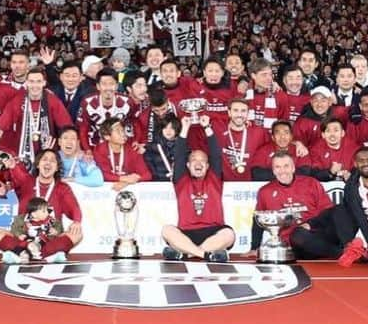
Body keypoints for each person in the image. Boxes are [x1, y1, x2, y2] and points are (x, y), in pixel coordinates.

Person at [160, 113, 235, 262]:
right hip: (187, 232)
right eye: (194, 160)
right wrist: (184, 129)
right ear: (187, 165)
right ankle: (207, 255)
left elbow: (215, 155)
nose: (198, 163)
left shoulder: (214, 179)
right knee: (167, 230)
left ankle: (186, 254)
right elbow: (179, 155)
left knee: (229, 235)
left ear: (208, 166)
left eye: (202, 161)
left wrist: (207, 127)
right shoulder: (181, 180)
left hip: (213, 231)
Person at [0, 149, 83, 261]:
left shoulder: (62, 188)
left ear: (57, 167)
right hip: (23, 236)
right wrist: (12, 165)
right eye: (44, 159)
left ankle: (24, 253)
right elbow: (18, 173)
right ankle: (43, 253)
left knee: (77, 234)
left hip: (50, 237)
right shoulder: (27, 181)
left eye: (52, 161)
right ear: (38, 164)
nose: (48, 163)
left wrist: (77, 221)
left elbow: (74, 208)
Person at [253, 152, 343, 259]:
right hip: (296, 244)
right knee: (298, 234)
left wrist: (310, 224)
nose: (282, 171)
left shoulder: (311, 183)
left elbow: (328, 212)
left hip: (319, 233)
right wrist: (254, 247)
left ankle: (344, 247)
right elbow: (258, 220)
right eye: (278, 167)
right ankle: (342, 254)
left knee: (340, 209)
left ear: (293, 168)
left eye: (286, 166)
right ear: (273, 170)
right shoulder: (265, 191)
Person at [0, 67, 71, 167]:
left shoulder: (52, 100)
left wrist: (71, 152)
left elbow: (67, 128)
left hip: (47, 152)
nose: (35, 85)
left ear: (44, 83)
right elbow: (1, 127)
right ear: (26, 83)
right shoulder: (17, 101)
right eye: (31, 81)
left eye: (38, 81)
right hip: (22, 153)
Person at [76, 70, 131, 150]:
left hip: (121, 146)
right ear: (98, 86)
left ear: (116, 86)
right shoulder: (87, 102)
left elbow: (134, 124)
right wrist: (87, 149)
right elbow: (83, 128)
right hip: (95, 145)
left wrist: (133, 143)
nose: (108, 88)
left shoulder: (127, 102)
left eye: (111, 84)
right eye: (104, 84)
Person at [4, 196, 66, 263]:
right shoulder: (23, 219)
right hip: (27, 241)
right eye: (44, 211)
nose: (47, 213)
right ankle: (21, 256)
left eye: (47, 210)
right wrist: (19, 235)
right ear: (34, 214)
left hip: (43, 242)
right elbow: (14, 228)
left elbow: (59, 227)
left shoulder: (51, 220)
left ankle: (48, 257)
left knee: (49, 247)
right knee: (20, 247)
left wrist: (55, 231)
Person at [218, 98, 269, 179]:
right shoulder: (218, 128)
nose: (239, 115)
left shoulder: (258, 132)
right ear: (229, 112)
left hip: (249, 185)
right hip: (223, 184)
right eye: (235, 110)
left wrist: (296, 142)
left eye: (243, 111)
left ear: (248, 113)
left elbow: (270, 148)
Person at [93, 116, 150, 188]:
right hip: (106, 189)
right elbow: (101, 174)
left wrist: (126, 183)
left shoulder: (132, 149)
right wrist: (122, 178)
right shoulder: (99, 150)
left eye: (122, 130)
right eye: (118, 131)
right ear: (107, 136)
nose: (123, 134)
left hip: (128, 188)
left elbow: (147, 174)